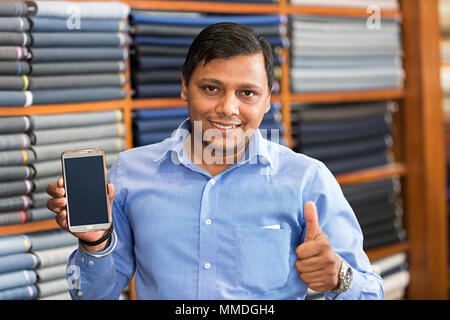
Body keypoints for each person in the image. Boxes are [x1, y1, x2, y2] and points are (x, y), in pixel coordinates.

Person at [46, 22, 383, 300]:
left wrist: (340, 277)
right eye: (211, 88)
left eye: (247, 93)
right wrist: (96, 243)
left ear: (268, 99)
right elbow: (93, 296)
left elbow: (371, 293)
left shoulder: (307, 179)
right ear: (184, 86)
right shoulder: (130, 173)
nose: (228, 108)